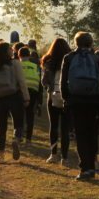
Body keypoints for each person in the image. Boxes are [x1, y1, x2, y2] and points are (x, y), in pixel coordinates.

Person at [60, 31, 99, 180]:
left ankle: (84, 169)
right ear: (91, 43)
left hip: (76, 101)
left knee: (80, 134)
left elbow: (63, 81)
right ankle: (92, 167)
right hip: (93, 100)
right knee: (92, 134)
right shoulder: (96, 58)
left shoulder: (69, 58)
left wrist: (66, 99)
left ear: (76, 43)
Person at [0, 41, 30, 163]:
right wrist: (26, 97)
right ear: (7, 51)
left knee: (2, 128)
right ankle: (16, 140)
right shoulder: (15, 63)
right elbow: (21, 81)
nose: (13, 50)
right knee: (18, 123)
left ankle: (1, 156)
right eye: (10, 49)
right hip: (15, 97)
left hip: (1, 99)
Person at [41, 37, 72, 166]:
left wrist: (49, 89)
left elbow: (44, 81)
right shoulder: (70, 60)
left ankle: (53, 154)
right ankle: (64, 157)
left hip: (52, 97)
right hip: (67, 98)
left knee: (53, 126)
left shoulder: (48, 61)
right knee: (65, 128)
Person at [18, 46, 42, 144]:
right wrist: (40, 99)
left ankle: (19, 136)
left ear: (19, 55)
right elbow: (39, 82)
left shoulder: (17, 65)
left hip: (20, 91)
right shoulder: (36, 66)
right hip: (33, 91)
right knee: (30, 115)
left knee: (19, 114)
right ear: (29, 55)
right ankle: (28, 138)